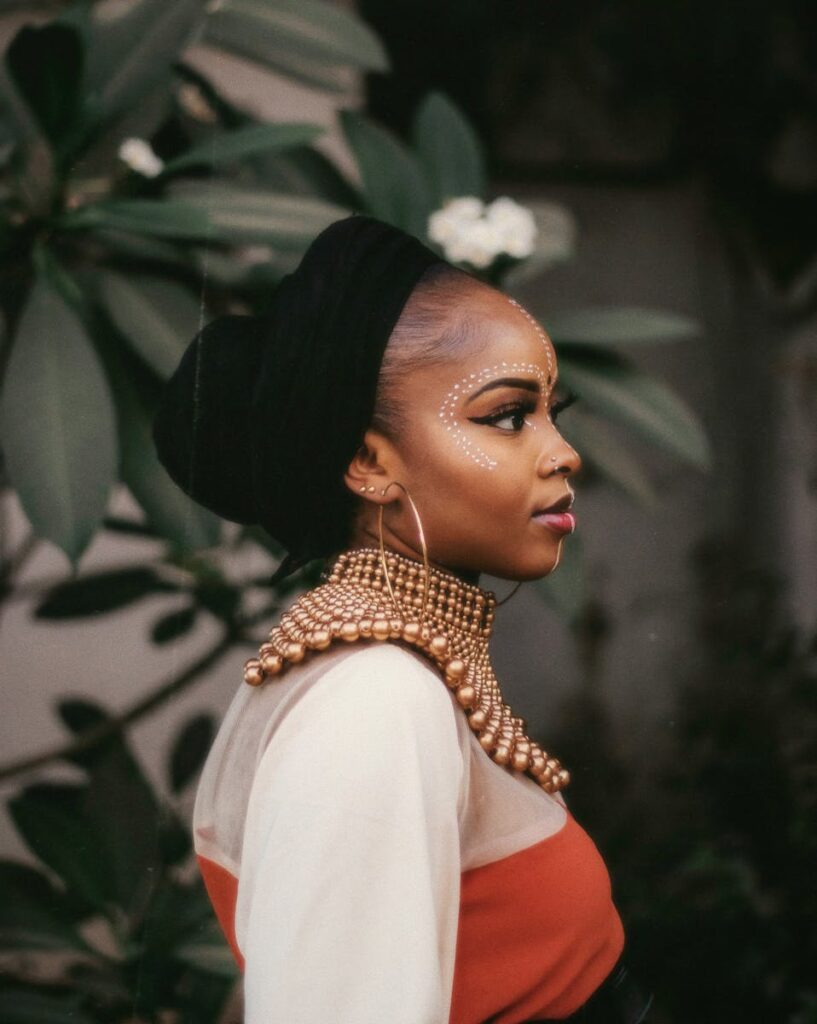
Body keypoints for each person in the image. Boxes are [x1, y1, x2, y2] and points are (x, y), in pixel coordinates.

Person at [152, 214, 653, 1023]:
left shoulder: (385, 670)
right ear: (369, 462)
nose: (563, 453)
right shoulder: (372, 701)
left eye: (552, 413)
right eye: (507, 416)